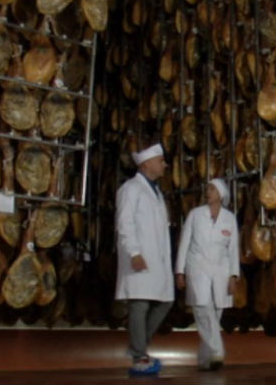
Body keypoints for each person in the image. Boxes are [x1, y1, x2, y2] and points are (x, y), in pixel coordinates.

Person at [115, 142, 173, 376]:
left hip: (157, 260)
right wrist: (134, 252)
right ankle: (140, 356)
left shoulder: (156, 192)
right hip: (139, 256)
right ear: (147, 164)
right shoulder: (131, 189)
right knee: (139, 304)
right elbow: (124, 223)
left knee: (165, 301)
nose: (165, 165)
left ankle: (137, 347)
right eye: (161, 161)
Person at [174, 178, 240, 371]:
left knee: (215, 315)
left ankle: (205, 360)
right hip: (197, 268)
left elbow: (233, 249)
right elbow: (184, 243)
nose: (208, 192)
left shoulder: (229, 218)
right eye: (208, 189)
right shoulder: (195, 215)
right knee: (202, 309)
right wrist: (180, 271)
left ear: (221, 194)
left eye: (212, 189)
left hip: (221, 271)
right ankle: (217, 351)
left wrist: (233, 276)